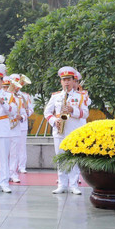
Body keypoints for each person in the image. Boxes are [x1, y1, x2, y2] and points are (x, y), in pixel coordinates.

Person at [44, 66, 89, 195]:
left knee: (74, 158)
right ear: (61, 82)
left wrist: (72, 110)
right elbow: (47, 112)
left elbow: (85, 113)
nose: (66, 82)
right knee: (60, 158)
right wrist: (54, 121)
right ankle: (62, 184)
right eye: (64, 80)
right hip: (59, 131)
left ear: (73, 80)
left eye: (69, 79)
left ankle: (74, 185)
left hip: (74, 131)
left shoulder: (80, 96)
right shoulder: (56, 96)